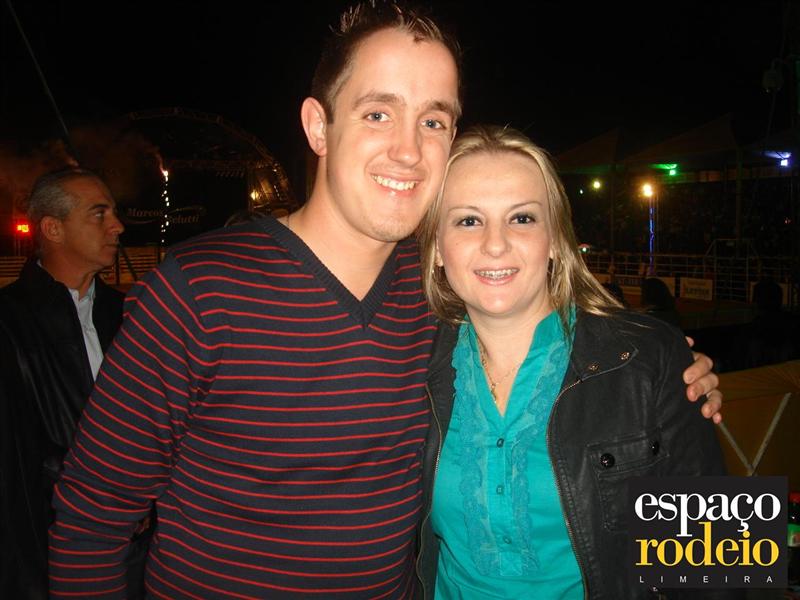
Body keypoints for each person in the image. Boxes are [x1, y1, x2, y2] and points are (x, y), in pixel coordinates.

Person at [48, 3, 721, 598]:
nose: (408, 149)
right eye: (378, 113)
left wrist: (666, 366)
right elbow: (90, 518)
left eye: (433, 120)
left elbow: (725, 554)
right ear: (318, 126)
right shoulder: (198, 290)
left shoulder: (435, 299)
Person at [415, 125, 726, 598]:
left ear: (557, 240)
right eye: (468, 221)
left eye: (522, 218)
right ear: (437, 248)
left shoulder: (650, 358)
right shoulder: (410, 360)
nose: (495, 244)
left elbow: (718, 562)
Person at [0, 167, 126, 597]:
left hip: (132, 550)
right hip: (49, 551)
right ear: (53, 229)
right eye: (99, 213)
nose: (117, 226)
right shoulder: (9, 323)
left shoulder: (128, 313)